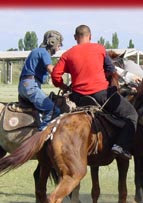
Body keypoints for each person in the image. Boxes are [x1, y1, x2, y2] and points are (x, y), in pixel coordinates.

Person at [51, 24, 138, 160]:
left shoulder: (67, 54)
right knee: (131, 114)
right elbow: (110, 69)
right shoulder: (99, 49)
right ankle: (121, 146)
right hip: (101, 95)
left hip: (77, 97)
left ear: (75, 37)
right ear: (90, 36)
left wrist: (63, 87)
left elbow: (55, 76)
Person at [18, 30, 63, 131]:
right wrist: (63, 85)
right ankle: (40, 139)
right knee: (53, 110)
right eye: (59, 45)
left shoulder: (36, 51)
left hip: (24, 86)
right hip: (31, 86)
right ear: (52, 42)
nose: (58, 48)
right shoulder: (44, 52)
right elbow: (51, 69)